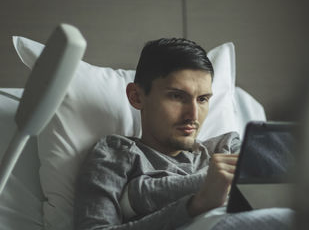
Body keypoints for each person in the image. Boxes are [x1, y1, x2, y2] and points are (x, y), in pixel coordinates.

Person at [74, 38, 241, 230]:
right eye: (177, 96)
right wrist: (195, 203)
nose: (193, 115)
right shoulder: (118, 154)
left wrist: (140, 195)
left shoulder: (225, 148)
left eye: (202, 99)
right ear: (136, 97)